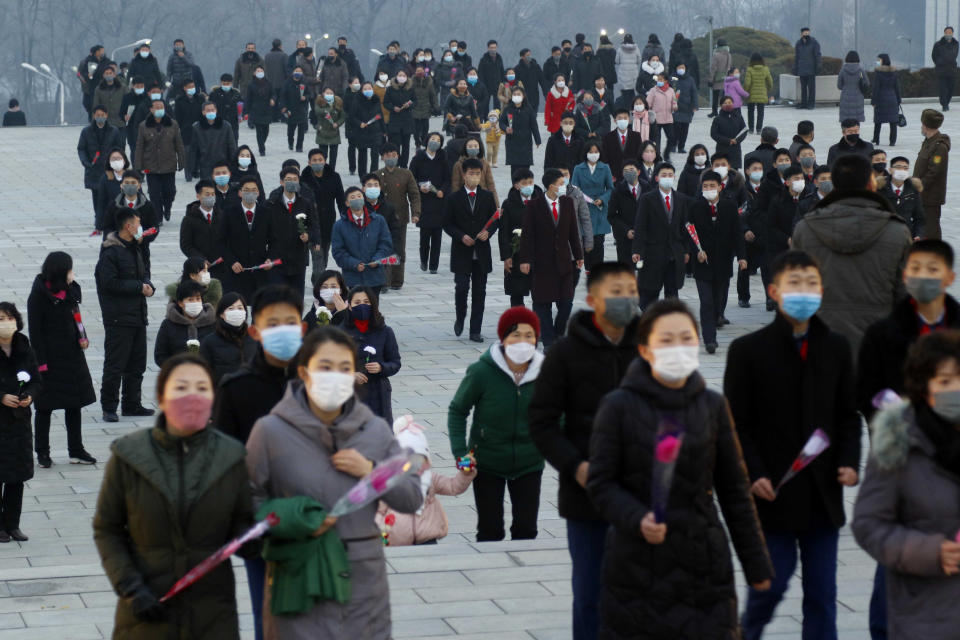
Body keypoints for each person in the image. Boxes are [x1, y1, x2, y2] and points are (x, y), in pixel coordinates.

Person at [588, 298, 773, 637]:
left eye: (686, 339)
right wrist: (636, 518)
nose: (678, 348)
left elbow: (734, 492)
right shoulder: (618, 407)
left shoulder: (712, 405)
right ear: (644, 350)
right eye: (666, 340)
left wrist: (756, 564)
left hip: (703, 565)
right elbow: (601, 485)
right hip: (636, 568)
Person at [245, 325, 421, 638]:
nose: (335, 376)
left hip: (363, 583)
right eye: (325, 367)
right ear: (304, 371)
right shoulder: (270, 431)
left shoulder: (375, 431)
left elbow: (411, 497)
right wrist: (291, 517)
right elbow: (247, 502)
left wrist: (371, 470)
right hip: (300, 579)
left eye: (344, 368)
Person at [724, 250, 858, 639]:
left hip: (822, 495)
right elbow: (736, 424)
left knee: (822, 595)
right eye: (794, 285)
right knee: (769, 587)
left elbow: (848, 415)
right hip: (772, 495)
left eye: (811, 285)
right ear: (774, 291)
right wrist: (754, 472)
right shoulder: (748, 351)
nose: (804, 293)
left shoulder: (836, 347)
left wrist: (850, 461)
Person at [93, 352, 253, 638]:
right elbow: (107, 529)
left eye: (202, 388)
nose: (192, 396)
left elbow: (242, 524)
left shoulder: (231, 456)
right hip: (145, 614)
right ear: (161, 396)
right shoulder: (129, 455)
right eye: (181, 387)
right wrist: (131, 588)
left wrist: (262, 535)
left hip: (212, 617)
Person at [527, 262, 641, 640]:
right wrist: (574, 466)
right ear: (593, 299)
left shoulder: (651, 349)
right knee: (591, 593)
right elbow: (542, 422)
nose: (626, 299)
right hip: (586, 494)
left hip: (644, 492)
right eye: (616, 291)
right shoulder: (564, 354)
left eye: (631, 290)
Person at [854, 328, 960, 639]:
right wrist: (929, 552)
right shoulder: (899, 442)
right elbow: (868, 523)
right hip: (926, 614)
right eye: (945, 381)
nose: (956, 389)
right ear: (923, 387)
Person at [212, 284, 305, 640]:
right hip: (263, 533)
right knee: (270, 625)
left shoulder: (319, 384)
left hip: (321, 527)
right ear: (254, 331)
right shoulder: (237, 389)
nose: (282, 330)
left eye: (290, 322)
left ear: (303, 328)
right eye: (272, 323)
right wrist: (245, 535)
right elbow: (226, 468)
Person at [792, 154, 913, 357]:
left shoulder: (806, 229)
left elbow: (794, 290)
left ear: (834, 185)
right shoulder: (897, 232)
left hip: (820, 341)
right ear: (871, 184)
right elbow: (905, 295)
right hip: (879, 343)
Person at [448, 307, 545, 542]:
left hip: (529, 462)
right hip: (487, 461)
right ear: (503, 338)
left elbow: (558, 414)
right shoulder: (482, 371)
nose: (523, 341)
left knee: (527, 530)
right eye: (516, 335)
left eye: (529, 335)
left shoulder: (546, 373)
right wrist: (461, 455)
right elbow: (457, 411)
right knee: (490, 531)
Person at [25, 253, 95, 469]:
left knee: (74, 404)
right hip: (49, 359)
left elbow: (77, 316)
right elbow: (35, 333)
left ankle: (76, 450)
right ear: (59, 271)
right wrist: (41, 364)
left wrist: (82, 336)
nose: (72, 274)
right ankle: (42, 452)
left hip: (73, 356)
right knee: (44, 407)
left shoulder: (70, 290)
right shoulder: (38, 296)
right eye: (70, 270)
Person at [94, 207, 155, 423]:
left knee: (137, 364)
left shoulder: (135, 248)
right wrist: (139, 287)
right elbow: (108, 283)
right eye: (138, 223)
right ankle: (109, 406)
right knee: (115, 365)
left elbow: (144, 274)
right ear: (128, 226)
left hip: (138, 315)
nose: (141, 227)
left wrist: (148, 285)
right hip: (119, 318)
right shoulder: (111, 252)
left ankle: (132, 404)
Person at [377, 417, 475, 546]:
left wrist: (465, 474)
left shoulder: (430, 478)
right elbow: (379, 510)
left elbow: (453, 486)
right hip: (397, 540)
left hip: (427, 537)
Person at [518, 168, 584, 347]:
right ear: (551, 186)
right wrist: (525, 260)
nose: (564, 187)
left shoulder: (568, 203)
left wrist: (579, 255)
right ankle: (548, 342)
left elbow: (573, 232)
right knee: (542, 304)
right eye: (561, 184)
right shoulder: (534, 206)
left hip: (564, 261)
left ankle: (558, 332)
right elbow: (528, 236)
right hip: (542, 263)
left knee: (566, 302)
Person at [688, 171, 747, 353]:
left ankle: (714, 322)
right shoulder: (696, 207)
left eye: (712, 186)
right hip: (702, 262)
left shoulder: (729, 206)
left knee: (718, 300)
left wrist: (742, 256)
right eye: (705, 187)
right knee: (706, 301)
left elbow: (737, 233)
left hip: (722, 261)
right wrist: (695, 252)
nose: (709, 189)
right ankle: (709, 339)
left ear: (720, 187)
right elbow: (689, 233)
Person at [442, 158, 498, 341]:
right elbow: (447, 224)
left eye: (477, 173)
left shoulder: (487, 196)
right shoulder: (453, 198)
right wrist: (460, 236)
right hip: (462, 251)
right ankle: (460, 316)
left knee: (479, 291)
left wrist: (488, 232)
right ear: (464, 175)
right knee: (462, 288)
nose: (474, 177)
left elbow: (495, 219)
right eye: (471, 173)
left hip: (481, 251)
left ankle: (475, 330)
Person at [0, 301, 38, 545]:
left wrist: (30, 396)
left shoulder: (23, 345)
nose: (6, 323)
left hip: (18, 421)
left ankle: (12, 524)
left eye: (9, 317)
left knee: (16, 476)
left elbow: (36, 378)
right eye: (1, 319)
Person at [632, 162, 691, 309]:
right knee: (650, 293)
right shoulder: (647, 199)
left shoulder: (681, 199)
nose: (667, 178)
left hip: (674, 253)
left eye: (670, 175)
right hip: (653, 253)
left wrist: (686, 250)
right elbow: (640, 227)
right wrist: (637, 250)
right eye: (664, 175)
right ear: (657, 178)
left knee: (672, 293)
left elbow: (686, 227)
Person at [340, 286, 400, 422]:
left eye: (366, 302)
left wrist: (381, 367)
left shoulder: (385, 331)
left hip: (378, 392)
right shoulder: (340, 333)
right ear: (349, 306)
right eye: (357, 303)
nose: (362, 306)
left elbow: (395, 362)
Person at [265, 167, 321, 298]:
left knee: (296, 300)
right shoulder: (271, 204)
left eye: (295, 179)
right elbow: (263, 232)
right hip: (276, 261)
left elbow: (314, 226)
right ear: (281, 182)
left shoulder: (305, 203)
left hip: (298, 261)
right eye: (288, 179)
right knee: (278, 300)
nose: (292, 182)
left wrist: (309, 236)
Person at [217, 177, 272, 301]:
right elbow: (220, 242)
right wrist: (231, 261)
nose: (250, 193)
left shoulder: (267, 213)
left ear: (258, 193)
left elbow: (275, 240)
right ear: (240, 193)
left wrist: (270, 258)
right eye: (246, 190)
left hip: (260, 272)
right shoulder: (229, 213)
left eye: (254, 190)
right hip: (236, 271)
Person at [331, 187, 394, 292]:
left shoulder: (378, 220)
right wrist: (354, 263)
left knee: (373, 307)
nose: (357, 199)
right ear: (347, 203)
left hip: (375, 276)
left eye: (359, 196)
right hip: (353, 277)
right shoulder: (339, 226)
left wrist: (377, 259)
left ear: (364, 200)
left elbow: (386, 244)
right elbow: (338, 251)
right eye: (353, 197)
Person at [376, 143, 421, 291]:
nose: (391, 158)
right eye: (387, 156)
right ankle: (384, 281)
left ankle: (397, 280)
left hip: (400, 217)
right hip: (381, 218)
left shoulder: (405, 174)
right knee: (382, 248)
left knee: (399, 249)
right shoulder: (377, 175)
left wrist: (416, 213)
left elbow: (414, 195)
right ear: (382, 157)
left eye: (394, 155)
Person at [135, 98, 185, 224]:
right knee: (154, 193)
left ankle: (167, 208)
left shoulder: (172, 124)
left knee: (170, 191)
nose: (159, 110)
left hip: (169, 164)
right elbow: (139, 146)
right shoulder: (143, 125)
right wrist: (138, 165)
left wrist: (182, 161)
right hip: (150, 165)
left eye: (161, 107)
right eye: (156, 107)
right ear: (151, 110)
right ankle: (158, 217)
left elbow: (179, 144)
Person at [301, 149, 345, 282]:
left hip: (327, 222)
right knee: (316, 253)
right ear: (309, 162)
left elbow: (341, 199)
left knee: (323, 253)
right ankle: (318, 281)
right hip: (310, 222)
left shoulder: (334, 177)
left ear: (325, 161)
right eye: (314, 160)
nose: (318, 162)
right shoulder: (304, 179)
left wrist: (344, 216)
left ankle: (318, 277)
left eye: (320, 160)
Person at [409, 132, 450, 274]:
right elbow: (411, 176)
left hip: (439, 200)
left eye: (438, 140)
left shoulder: (443, 158)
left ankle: (434, 265)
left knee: (437, 235)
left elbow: (447, 179)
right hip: (424, 200)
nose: (435, 142)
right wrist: (419, 188)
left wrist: (442, 191)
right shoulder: (418, 158)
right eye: (433, 139)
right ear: (427, 141)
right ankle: (424, 260)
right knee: (425, 235)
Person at [78, 106, 124, 229]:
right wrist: (86, 162)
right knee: (97, 195)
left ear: (106, 115)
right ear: (94, 116)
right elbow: (81, 148)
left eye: (102, 114)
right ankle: (98, 217)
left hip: (110, 169)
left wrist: (117, 163)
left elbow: (119, 148)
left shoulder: (113, 131)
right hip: (93, 169)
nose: (100, 117)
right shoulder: (86, 131)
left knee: (110, 194)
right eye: (98, 115)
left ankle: (108, 217)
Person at [153, 279, 216, 367]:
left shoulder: (213, 323)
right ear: (180, 303)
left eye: (198, 299)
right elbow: (160, 355)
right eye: (190, 300)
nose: (195, 302)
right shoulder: (168, 324)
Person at [499, 169, 538, 307]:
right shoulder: (508, 203)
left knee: (540, 294)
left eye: (531, 182)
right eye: (524, 183)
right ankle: (517, 322)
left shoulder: (540, 200)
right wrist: (506, 256)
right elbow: (503, 232)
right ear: (516, 185)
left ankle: (538, 323)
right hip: (516, 254)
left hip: (537, 253)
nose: (529, 186)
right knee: (516, 293)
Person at [571, 142, 613, 270]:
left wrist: (603, 199)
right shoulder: (578, 169)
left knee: (599, 242)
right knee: (586, 242)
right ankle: (589, 270)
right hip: (584, 209)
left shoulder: (605, 168)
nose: (594, 154)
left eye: (596, 152)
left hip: (600, 210)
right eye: (591, 152)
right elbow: (573, 188)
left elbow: (610, 188)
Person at [198, 293, 257, 384]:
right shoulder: (210, 342)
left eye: (240, 308)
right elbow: (203, 373)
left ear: (245, 312)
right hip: (222, 394)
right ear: (221, 314)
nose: (236, 311)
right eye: (231, 308)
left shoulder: (254, 339)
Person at [915, 108, 951, 239]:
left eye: (922, 124)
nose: (921, 127)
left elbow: (934, 172)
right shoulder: (929, 142)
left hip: (931, 196)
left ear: (926, 125)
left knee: (931, 229)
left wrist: (917, 186)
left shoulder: (939, 147)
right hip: (923, 195)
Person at [876, 156, 925, 240]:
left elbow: (919, 218)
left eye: (905, 168)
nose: (902, 170)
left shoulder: (913, 190)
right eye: (898, 167)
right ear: (890, 170)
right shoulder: (879, 189)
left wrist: (918, 234)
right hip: (883, 235)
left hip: (905, 235)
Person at [608, 160, 644, 264]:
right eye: (626, 171)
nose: (629, 172)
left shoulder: (647, 188)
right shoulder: (617, 191)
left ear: (639, 171)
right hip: (624, 238)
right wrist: (626, 230)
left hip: (644, 238)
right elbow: (612, 216)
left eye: (631, 170)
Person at [191, 101, 237, 183]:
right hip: (205, 165)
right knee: (208, 190)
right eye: (208, 110)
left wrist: (233, 164)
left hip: (222, 164)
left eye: (212, 110)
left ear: (216, 110)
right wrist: (194, 167)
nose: (211, 112)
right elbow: (194, 149)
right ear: (203, 112)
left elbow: (232, 146)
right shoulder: (197, 127)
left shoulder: (226, 126)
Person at [500, 87, 540, 173]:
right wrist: (506, 128)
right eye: (514, 94)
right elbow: (501, 123)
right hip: (512, 142)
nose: (516, 96)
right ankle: (515, 186)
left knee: (525, 169)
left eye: (519, 94)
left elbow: (534, 125)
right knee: (514, 169)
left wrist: (537, 140)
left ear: (523, 96)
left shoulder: (528, 109)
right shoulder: (508, 109)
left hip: (525, 143)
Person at [349, 82, 385, 176]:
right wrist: (359, 123)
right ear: (361, 91)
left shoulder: (376, 100)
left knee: (375, 155)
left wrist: (384, 130)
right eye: (365, 89)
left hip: (375, 131)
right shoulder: (357, 101)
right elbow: (352, 116)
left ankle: (374, 175)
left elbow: (380, 115)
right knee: (362, 154)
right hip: (362, 131)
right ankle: (363, 175)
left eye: (369, 88)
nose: (368, 90)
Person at [450, 137, 498, 202]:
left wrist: (496, 203)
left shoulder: (485, 163)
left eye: (476, 146)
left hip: (482, 198)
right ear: (465, 148)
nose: (473, 148)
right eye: (470, 146)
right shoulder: (458, 164)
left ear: (480, 147)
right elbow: (455, 185)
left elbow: (490, 184)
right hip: (464, 198)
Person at [601, 108, 642, 179]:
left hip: (632, 174)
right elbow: (605, 157)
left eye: (625, 118)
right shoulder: (607, 137)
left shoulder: (636, 136)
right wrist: (609, 174)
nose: (622, 120)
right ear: (615, 120)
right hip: (614, 175)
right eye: (619, 118)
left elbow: (639, 155)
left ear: (629, 120)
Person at [870, 54, 901, 147]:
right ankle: (892, 141)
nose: (878, 61)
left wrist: (873, 101)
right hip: (892, 99)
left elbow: (876, 88)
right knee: (893, 121)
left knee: (878, 120)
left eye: (879, 60)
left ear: (883, 61)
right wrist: (898, 100)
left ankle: (876, 139)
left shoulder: (879, 73)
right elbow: (897, 88)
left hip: (881, 99)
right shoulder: (894, 73)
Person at [710, 94, 748, 169]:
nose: (728, 105)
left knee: (735, 172)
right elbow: (714, 134)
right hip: (722, 148)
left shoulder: (738, 117)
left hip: (735, 149)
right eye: (725, 103)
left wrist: (736, 140)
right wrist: (728, 141)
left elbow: (744, 130)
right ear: (721, 105)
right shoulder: (717, 119)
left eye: (730, 103)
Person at [243, 65, 274, 156]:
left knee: (266, 130)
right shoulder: (251, 85)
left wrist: (273, 99)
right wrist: (246, 112)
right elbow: (248, 99)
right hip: (256, 110)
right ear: (254, 73)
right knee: (259, 130)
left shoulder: (268, 83)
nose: (259, 72)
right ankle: (261, 149)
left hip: (267, 109)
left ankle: (262, 143)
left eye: (261, 71)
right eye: (257, 71)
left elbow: (273, 94)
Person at [279, 65, 310, 152]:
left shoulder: (304, 82)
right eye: (296, 71)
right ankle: (290, 143)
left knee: (301, 131)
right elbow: (282, 96)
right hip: (290, 109)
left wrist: (305, 97)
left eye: (300, 71)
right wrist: (283, 106)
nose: (298, 73)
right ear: (293, 72)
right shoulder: (287, 83)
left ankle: (299, 146)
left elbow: (310, 94)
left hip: (302, 109)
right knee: (291, 130)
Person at [645, 74, 677, 156]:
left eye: (661, 80)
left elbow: (674, 102)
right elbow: (647, 103)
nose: (659, 81)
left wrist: (675, 106)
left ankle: (666, 154)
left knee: (672, 138)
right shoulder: (653, 90)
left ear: (666, 81)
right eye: (658, 80)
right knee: (656, 140)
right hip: (656, 119)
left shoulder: (671, 90)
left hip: (668, 118)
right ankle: (657, 156)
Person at [209, 74, 243, 145]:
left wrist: (240, 115)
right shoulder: (214, 94)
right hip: (218, 121)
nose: (226, 85)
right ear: (221, 83)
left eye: (228, 84)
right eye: (224, 83)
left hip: (233, 122)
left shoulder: (236, 94)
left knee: (233, 142)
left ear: (231, 83)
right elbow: (209, 107)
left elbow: (241, 106)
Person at [744, 54, 773, 134]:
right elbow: (770, 81)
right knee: (761, 112)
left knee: (750, 111)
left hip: (751, 94)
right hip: (762, 93)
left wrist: (745, 92)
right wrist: (768, 89)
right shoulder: (765, 69)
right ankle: (759, 129)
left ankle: (751, 129)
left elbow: (747, 83)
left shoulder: (749, 69)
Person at [793, 27, 822, 109]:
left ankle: (811, 104)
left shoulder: (814, 43)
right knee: (803, 88)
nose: (806, 35)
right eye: (805, 33)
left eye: (807, 33)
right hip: (802, 68)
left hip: (811, 69)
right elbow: (797, 57)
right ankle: (803, 104)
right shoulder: (798, 43)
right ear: (801, 34)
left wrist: (818, 65)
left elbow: (818, 55)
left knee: (811, 88)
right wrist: (795, 67)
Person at [672, 61, 698, 153]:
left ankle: (681, 147)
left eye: (682, 67)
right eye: (679, 67)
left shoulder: (690, 79)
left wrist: (695, 105)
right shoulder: (672, 79)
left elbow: (694, 93)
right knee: (676, 128)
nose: (681, 69)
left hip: (687, 108)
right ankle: (673, 145)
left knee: (684, 129)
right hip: (675, 107)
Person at [838, 51, 869, 125]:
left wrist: (845, 87)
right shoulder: (860, 70)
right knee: (856, 122)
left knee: (845, 122)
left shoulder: (843, 70)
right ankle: (856, 134)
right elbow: (866, 83)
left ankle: (846, 135)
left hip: (845, 97)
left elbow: (839, 85)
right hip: (858, 97)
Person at [932, 26, 959, 111]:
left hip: (952, 70)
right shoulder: (938, 44)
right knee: (943, 89)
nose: (948, 34)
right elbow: (934, 56)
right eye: (947, 32)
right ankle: (944, 105)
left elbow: (956, 55)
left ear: (952, 33)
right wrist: (939, 62)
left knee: (951, 88)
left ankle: (946, 102)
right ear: (944, 33)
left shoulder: (956, 43)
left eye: (950, 32)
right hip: (941, 70)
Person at [614, 34, 642, 104]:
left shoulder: (620, 49)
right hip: (633, 74)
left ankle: (625, 108)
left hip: (623, 74)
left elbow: (617, 61)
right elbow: (639, 60)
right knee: (632, 92)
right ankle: (632, 107)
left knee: (624, 93)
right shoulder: (636, 49)